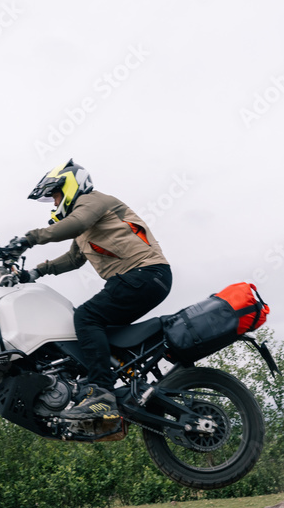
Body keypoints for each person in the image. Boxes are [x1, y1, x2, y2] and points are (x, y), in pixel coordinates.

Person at [10, 159, 172, 420]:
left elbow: (74, 223)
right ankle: (119, 381)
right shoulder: (86, 226)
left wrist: (29, 238)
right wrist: (36, 272)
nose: (54, 203)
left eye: (55, 195)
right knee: (93, 330)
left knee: (86, 317)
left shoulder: (94, 201)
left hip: (144, 274)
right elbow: (74, 259)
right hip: (144, 278)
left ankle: (103, 394)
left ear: (71, 184)